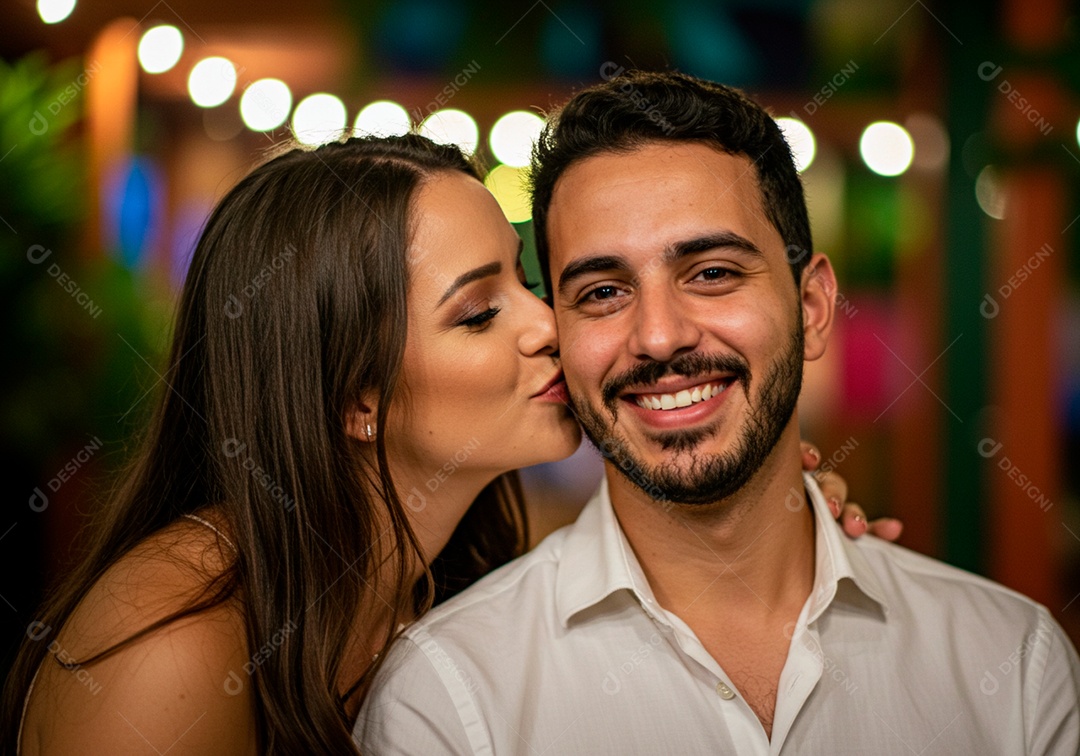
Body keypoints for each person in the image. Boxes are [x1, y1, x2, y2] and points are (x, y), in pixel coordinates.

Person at [3, 134, 871, 755]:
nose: (550, 325)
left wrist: (771, 528)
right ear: (356, 400)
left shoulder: (439, 586)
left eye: (530, 283)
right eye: (480, 312)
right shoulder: (175, 650)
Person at [355, 71, 1080, 755]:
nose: (660, 336)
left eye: (712, 274)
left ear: (813, 306)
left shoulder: (1012, 661)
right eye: (603, 292)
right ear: (561, 334)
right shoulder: (449, 696)